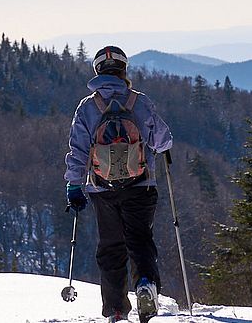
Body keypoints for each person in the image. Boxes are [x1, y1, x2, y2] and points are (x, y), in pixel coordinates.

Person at [64, 45, 173, 323]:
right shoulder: (139, 102)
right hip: (141, 186)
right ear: (124, 70)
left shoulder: (88, 107)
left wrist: (74, 187)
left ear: (97, 71)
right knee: (140, 240)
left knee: (111, 246)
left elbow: (77, 150)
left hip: (102, 189)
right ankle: (146, 284)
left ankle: (115, 308)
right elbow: (162, 140)